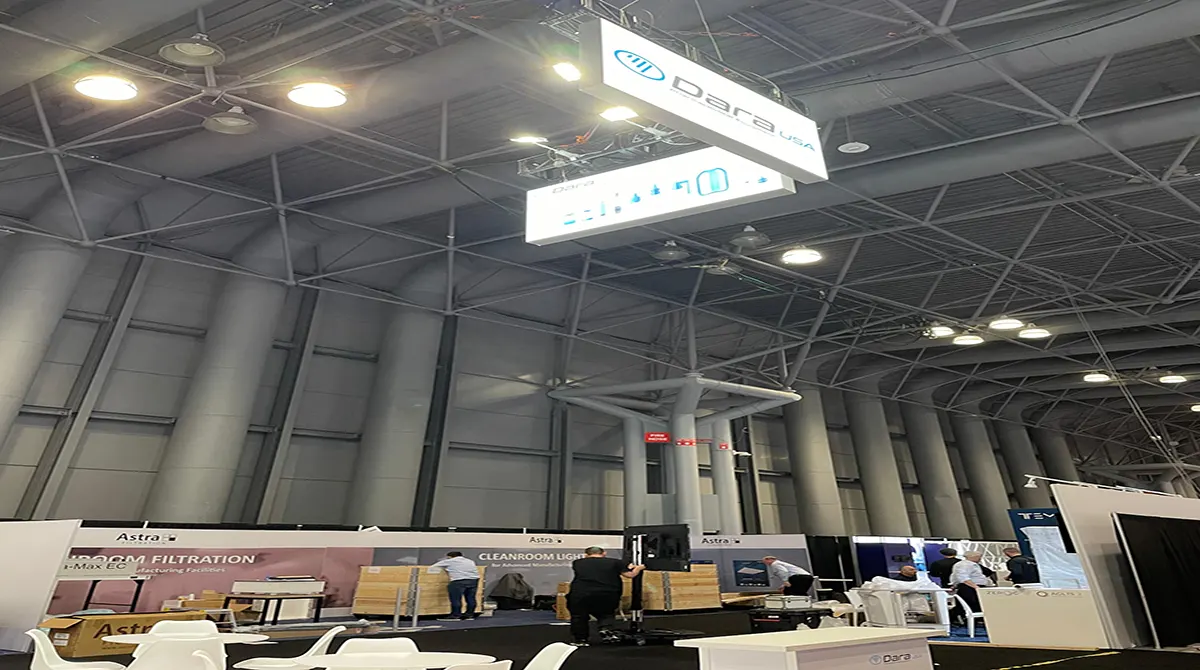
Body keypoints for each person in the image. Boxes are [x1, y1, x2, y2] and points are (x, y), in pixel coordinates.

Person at [566, 547, 644, 646]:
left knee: (579, 616)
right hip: (607, 593)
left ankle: (580, 639)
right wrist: (639, 568)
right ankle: (606, 629)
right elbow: (630, 574)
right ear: (604, 553)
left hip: (581, 593)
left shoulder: (577, 563)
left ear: (586, 555)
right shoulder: (615, 562)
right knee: (606, 613)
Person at [430, 551, 480, 621]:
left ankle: (455, 615)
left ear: (450, 557)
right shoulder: (470, 561)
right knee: (471, 598)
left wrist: (446, 569)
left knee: (456, 599)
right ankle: (469, 615)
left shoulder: (449, 561)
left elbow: (433, 567)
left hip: (458, 581)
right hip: (473, 580)